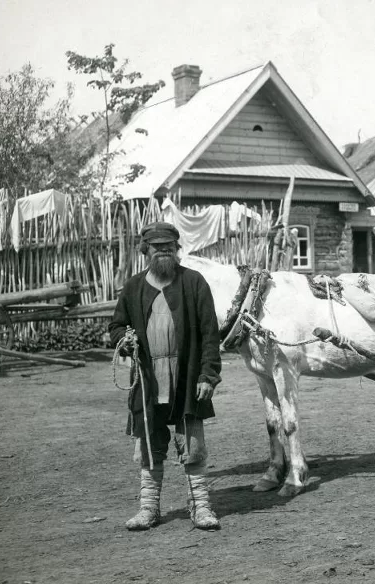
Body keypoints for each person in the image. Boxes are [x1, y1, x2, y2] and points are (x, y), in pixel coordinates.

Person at [109, 221, 223, 531]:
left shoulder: (194, 283)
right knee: (148, 443)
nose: (164, 251)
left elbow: (211, 335)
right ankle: (149, 509)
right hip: (149, 379)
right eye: (157, 247)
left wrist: (207, 375)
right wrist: (125, 339)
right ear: (145, 250)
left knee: (193, 444)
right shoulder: (133, 288)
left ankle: (201, 508)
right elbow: (116, 327)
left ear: (177, 250)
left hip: (186, 377)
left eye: (169, 246)